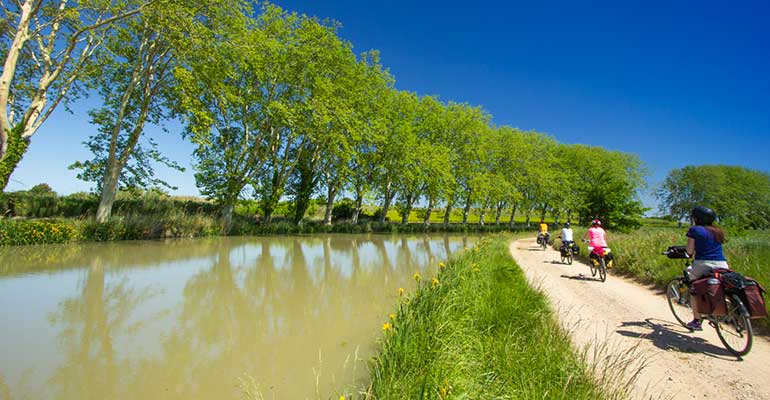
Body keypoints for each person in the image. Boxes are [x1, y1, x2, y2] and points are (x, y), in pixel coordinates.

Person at [685, 206, 729, 331]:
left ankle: (696, 321)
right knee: (720, 285)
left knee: (693, 286)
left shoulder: (695, 230)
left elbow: (689, 251)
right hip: (722, 264)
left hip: (703, 263)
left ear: (696, 218)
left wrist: (689, 253)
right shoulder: (718, 231)